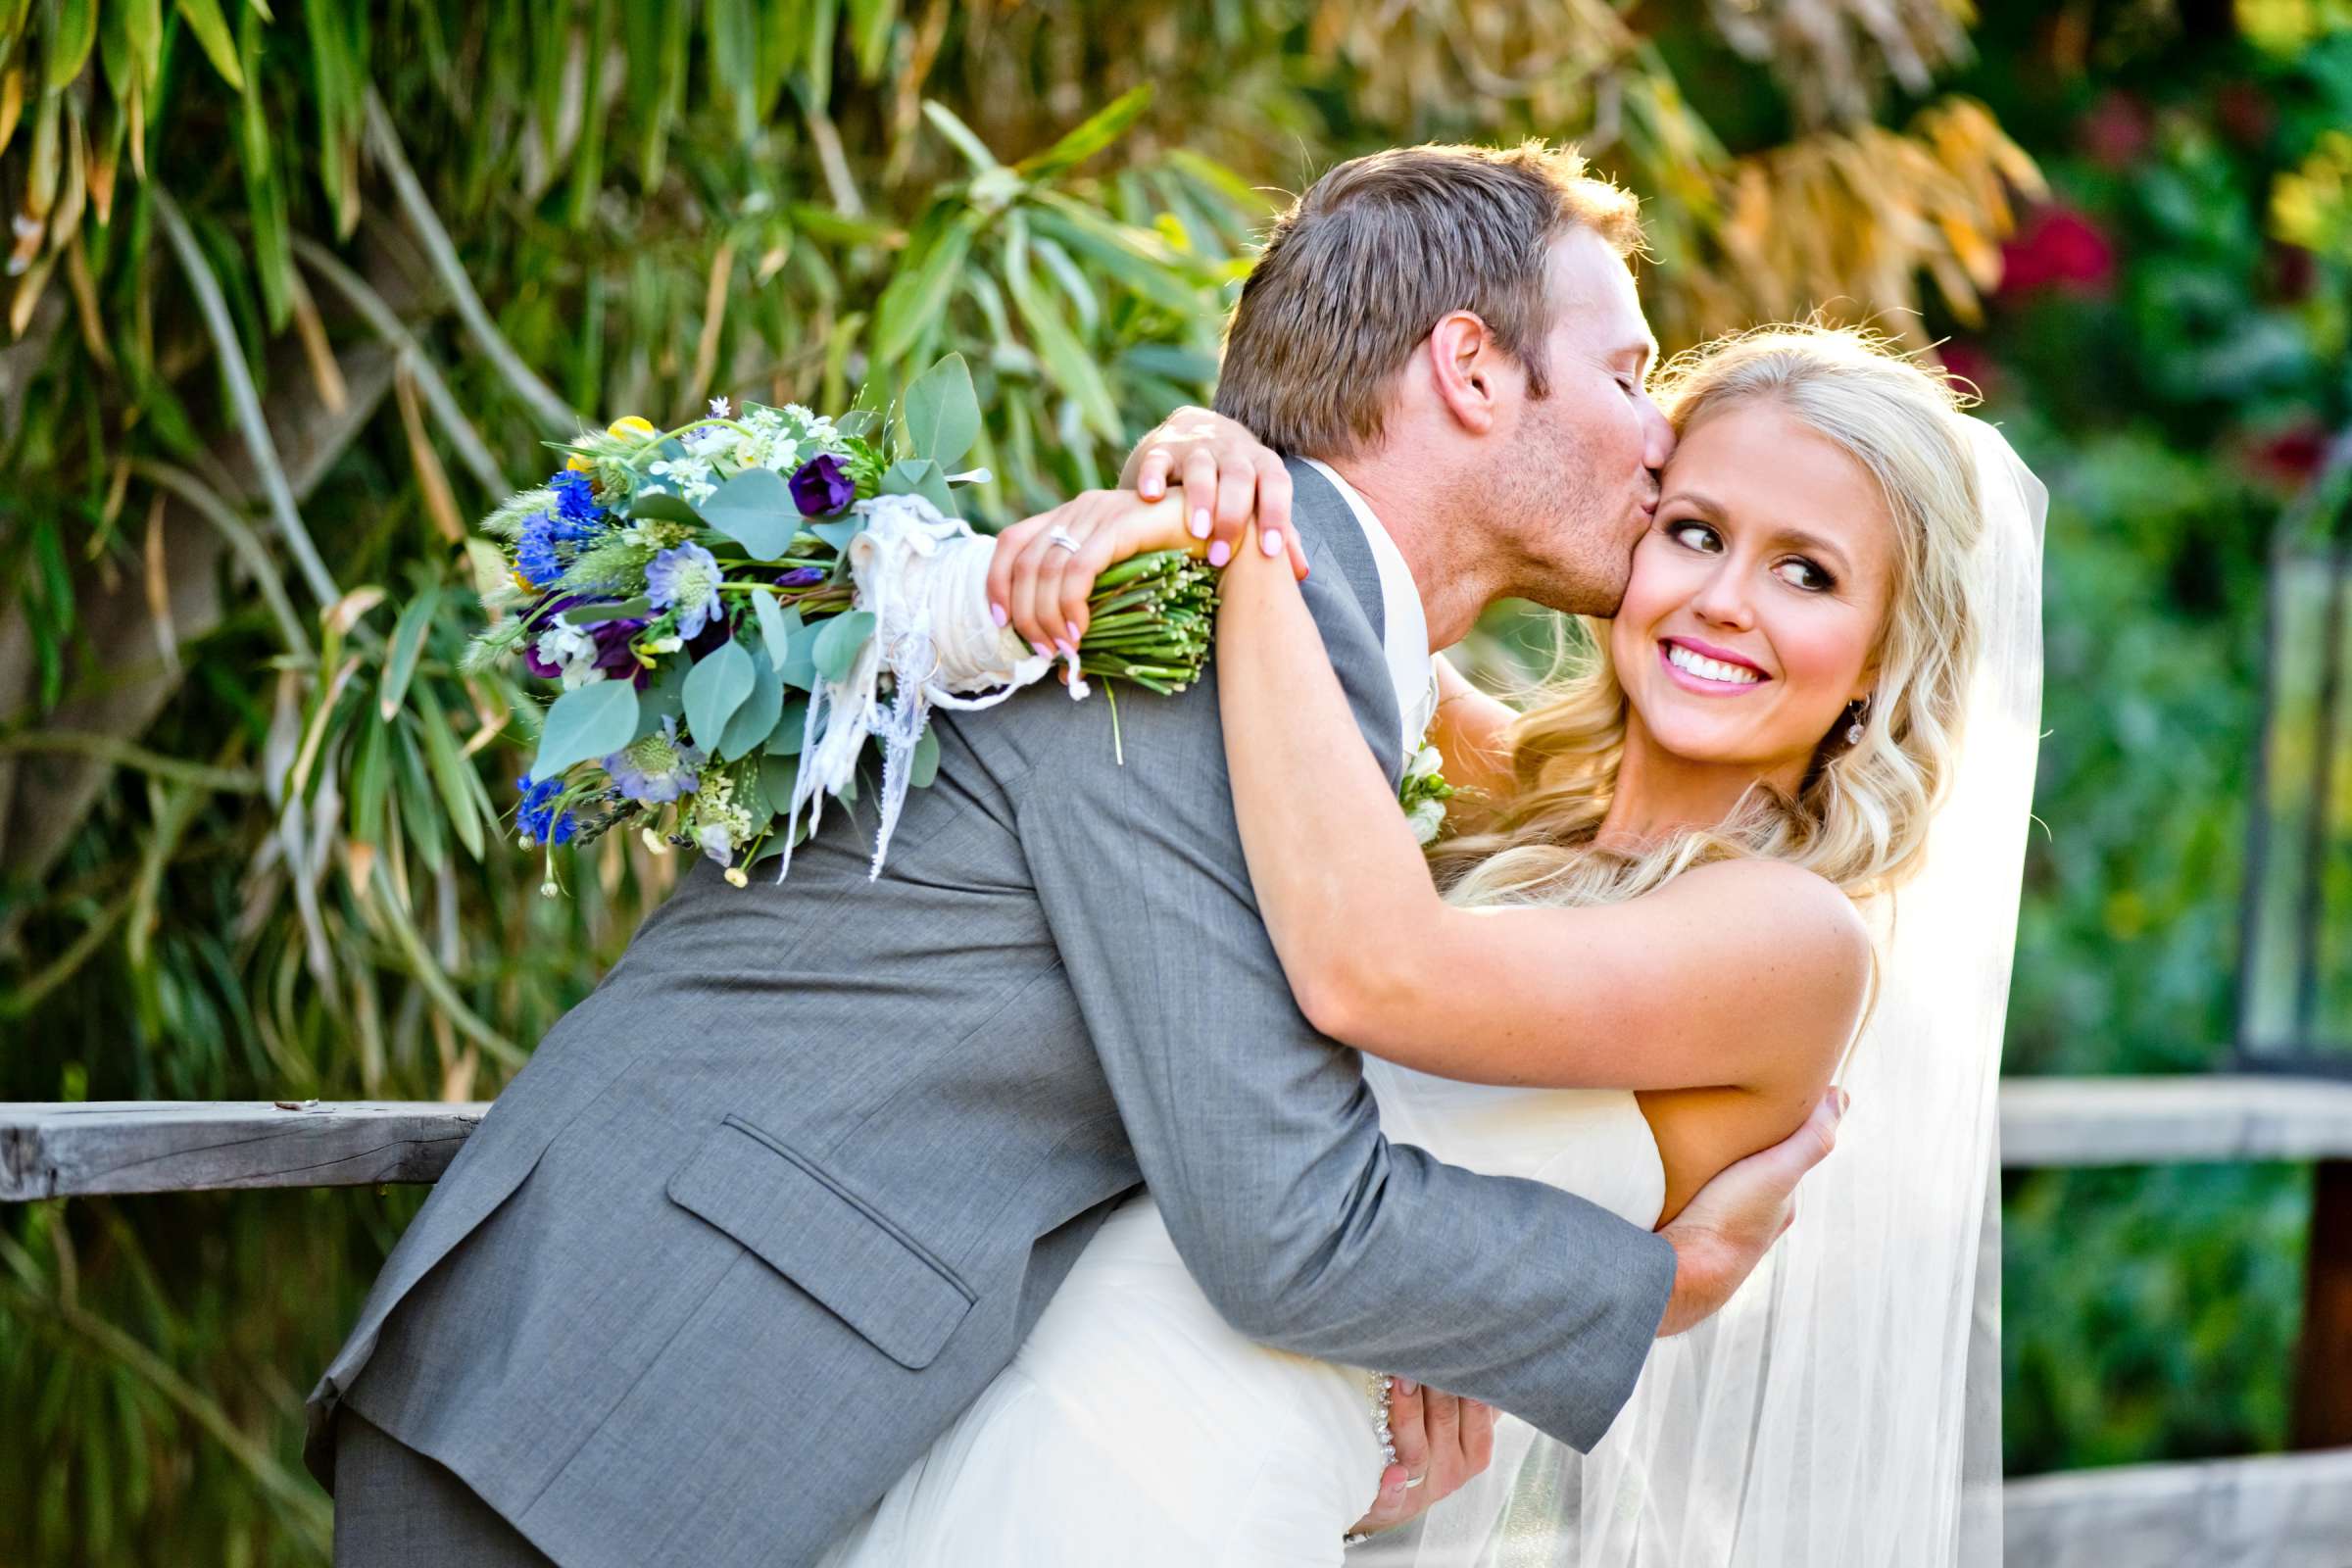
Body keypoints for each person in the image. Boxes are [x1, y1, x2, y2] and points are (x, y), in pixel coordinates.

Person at [308, 143, 1834, 1568]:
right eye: (1629, 374)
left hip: (749, 1398)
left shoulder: (1310, 647)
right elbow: (1285, 1222)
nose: (1661, 438)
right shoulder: (1175, 626)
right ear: (1473, 367)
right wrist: (1660, 1288)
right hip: (620, 1394)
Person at [843, 320, 2040, 1563]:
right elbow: (1358, 596)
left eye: (1809, 573)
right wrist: (1219, 462)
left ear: (1884, 654)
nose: (1724, 600)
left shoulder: (1792, 937)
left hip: (1189, 1479)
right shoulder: (1491, 777)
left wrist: (1254, 534)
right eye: (1695, 531)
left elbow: (1377, 972)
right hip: (1014, 1380)